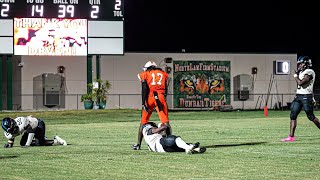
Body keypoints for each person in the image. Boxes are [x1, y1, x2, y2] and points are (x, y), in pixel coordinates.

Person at [132, 61, 172, 150]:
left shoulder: (145, 74)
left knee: (143, 122)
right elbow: (166, 89)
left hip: (150, 98)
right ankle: (170, 142)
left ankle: (138, 144)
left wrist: (143, 103)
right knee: (165, 121)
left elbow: (144, 88)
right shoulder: (163, 74)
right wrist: (163, 98)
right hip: (160, 98)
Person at [281, 56, 320, 142]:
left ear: (306, 64)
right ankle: (291, 137)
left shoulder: (310, 72)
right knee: (293, 115)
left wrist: (295, 76)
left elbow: (301, 83)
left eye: (301, 64)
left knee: (310, 116)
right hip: (299, 96)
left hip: (306, 96)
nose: (300, 65)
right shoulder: (302, 71)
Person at [2, 116, 67, 148]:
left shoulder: (22, 122)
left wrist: (27, 145)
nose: (14, 128)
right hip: (29, 129)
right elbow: (12, 136)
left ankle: (57, 140)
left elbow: (31, 132)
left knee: (40, 143)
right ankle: (41, 138)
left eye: (14, 125)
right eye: (12, 128)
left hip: (38, 124)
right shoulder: (9, 133)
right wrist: (10, 144)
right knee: (22, 143)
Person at [142, 122, 206, 154]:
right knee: (175, 139)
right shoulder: (148, 129)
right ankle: (189, 147)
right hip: (160, 143)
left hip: (164, 150)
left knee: (180, 147)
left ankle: (195, 149)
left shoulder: (148, 138)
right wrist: (162, 125)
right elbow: (163, 128)